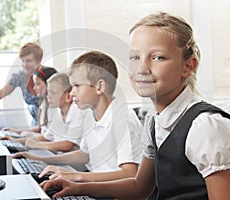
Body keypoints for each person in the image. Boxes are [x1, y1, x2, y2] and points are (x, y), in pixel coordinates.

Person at [40, 12, 230, 199]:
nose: (142, 68)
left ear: (188, 66)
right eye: (135, 57)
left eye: (158, 57)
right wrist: (77, 187)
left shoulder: (204, 126)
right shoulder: (154, 122)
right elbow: (139, 188)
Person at [18, 51, 143, 183]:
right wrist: (39, 160)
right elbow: (85, 155)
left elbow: (130, 173)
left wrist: (76, 176)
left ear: (99, 86)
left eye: (77, 86)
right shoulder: (90, 114)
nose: (71, 93)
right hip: (99, 187)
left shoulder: (123, 118)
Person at [13, 73, 93, 153]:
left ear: (68, 97)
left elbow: (69, 144)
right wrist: (16, 141)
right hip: (60, 155)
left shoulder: (78, 111)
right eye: (48, 93)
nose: (48, 96)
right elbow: (48, 137)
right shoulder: (57, 112)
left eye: (53, 93)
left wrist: (38, 145)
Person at [0, 42, 44, 126]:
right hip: (36, 124)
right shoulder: (19, 76)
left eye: (28, 61)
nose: (25, 65)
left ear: (38, 60)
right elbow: (0, 93)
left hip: (51, 123)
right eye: (23, 61)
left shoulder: (49, 75)